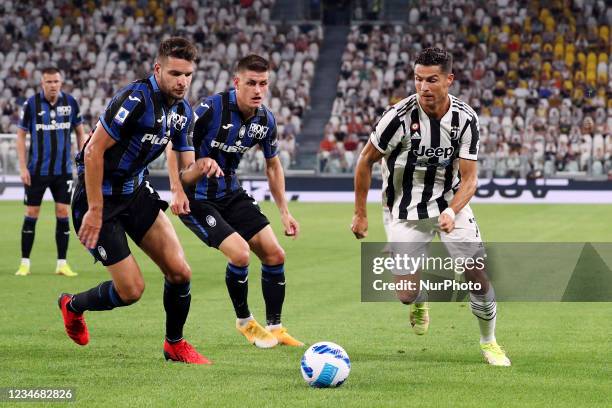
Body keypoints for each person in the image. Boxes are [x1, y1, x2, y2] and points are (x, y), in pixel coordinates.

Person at [57, 37, 217, 364]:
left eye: (188, 75)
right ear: (158, 69)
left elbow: (185, 171)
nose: (182, 82)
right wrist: (96, 211)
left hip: (135, 192)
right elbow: (92, 151)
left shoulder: (182, 113)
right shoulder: (135, 99)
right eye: (175, 73)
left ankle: (175, 344)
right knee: (131, 291)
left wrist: (200, 167)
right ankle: (72, 305)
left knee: (180, 272)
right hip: (97, 198)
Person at [351, 47, 511, 366]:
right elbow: (365, 160)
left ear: (449, 80)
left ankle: (489, 341)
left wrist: (452, 210)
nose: (423, 87)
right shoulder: (396, 118)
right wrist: (360, 213)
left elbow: (469, 180)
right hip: (405, 210)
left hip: (450, 203)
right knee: (406, 294)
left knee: (476, 274)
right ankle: (420, 301)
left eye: (432, 80)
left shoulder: (465, 119)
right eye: (418, 79)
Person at [167, 54, 303, 349]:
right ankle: (245, 322)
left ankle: (276, 327)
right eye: (251, 83)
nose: (258, 90)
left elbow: (273, 166)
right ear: (236, 82)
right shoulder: (210, 109)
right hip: (197, 199)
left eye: (263, 83)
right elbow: (173, 145)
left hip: (230, 191)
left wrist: (285, 212)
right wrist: (178, 188)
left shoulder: (265, 119)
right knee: (240, 254)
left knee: (274, 254)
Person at [15, 67, 86, 277]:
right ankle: (25, 263)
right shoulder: (31, 104)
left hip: (63, 171)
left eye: (56, 81)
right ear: (42, 84)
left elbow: (80, 133)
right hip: (36, 170)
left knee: (63, 213)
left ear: (61, 82)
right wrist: (21, 167)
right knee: (31, 213)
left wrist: (81, 162)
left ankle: (62, 264)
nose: (53, 85)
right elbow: (20, 136)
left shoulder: (71, 103)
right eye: (49, 82)